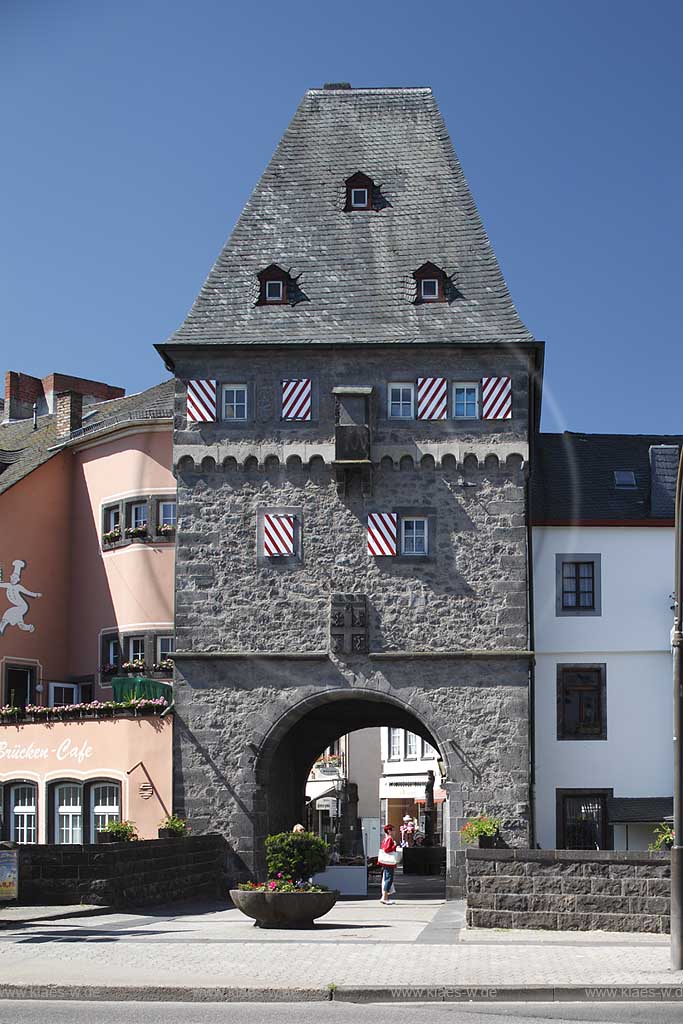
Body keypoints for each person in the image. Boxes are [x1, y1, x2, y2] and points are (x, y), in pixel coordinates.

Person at [378, 824, 398, 905]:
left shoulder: (385, 839)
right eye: (393, 830)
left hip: (385, 861)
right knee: (388, 878)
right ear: (389, 831)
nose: (394, 832)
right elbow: (387, 849)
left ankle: (384, 896)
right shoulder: (390, 839)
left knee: (386, 878)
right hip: (389, 862)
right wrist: (394, 846)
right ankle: (385, 897)